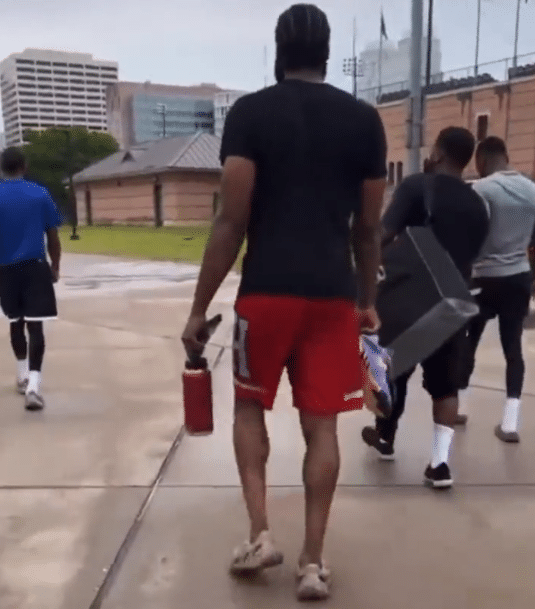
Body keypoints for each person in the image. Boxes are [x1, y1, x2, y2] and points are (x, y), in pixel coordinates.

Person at [182, 3, 387, 601]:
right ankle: (313, 563)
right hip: (331, 296)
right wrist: (367, 300)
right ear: (326, 52)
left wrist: (198, 307)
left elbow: (231, 219)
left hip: (266, 293)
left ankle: (260, 535)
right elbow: (368, 228)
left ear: (279, 50)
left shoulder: (250, 114)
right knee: (322, 425)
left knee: (250, 408)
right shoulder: (364, 121)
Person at [361, 127, 489, 489]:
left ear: (438, 153)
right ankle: (440, 464)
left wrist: (366, 273)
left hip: (410, 298)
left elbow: (383, 233)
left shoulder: (418, 186)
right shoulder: (477, 204)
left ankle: (385, 435)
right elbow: (474, 254)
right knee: (446, 387)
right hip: (452, 304)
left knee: (391, 367)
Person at [458, 137, 535, 443]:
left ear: (481, 160)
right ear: (506, 155)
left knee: (469, 341)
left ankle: (459, 408)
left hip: (483, 277)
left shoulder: (480, 189)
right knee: (513, 348)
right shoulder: (531, 189)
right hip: (518, 277)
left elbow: (470, 235)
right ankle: (510, 423)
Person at [0, 147, 62, 410]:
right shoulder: (40, 193)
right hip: (35, 267)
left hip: (5, 270)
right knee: (35, 326)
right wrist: (55, 266)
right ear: (24, 166)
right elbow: (53, 236)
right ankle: (34, 387)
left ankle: (22, 375)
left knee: (16, 322)